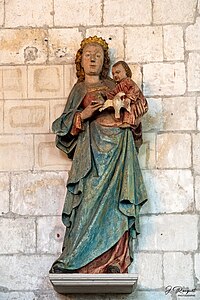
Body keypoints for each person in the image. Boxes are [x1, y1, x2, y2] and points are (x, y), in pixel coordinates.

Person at [50, 36, 148, 274]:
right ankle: (76, 259)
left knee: (116, 203)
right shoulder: (80, 89)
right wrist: (84, 115)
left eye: (98, 55)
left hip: (118, 151)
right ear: (80, 61)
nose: (93, 59)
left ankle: (114, 260)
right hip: (91, 154)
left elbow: (135, 112)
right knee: (87, 202)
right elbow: (61, 126)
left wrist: (129, 115)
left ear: (105, 61)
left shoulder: (116, 86)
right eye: (88, 55)